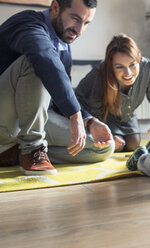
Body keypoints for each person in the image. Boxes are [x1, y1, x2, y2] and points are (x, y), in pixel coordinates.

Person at [0, 0, 113, 175]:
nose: (79, 30)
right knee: (37, 61)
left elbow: (59, 99)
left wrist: (89, 121)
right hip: (4, 118)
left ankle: (15, 152)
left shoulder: (64, 47)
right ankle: (32, 150)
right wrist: (74, 116)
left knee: (103, 147)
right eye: (75, 18)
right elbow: (43, 56)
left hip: (28, 122)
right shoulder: (27, 23)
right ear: (55, 7)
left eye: (86, 23)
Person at [75, 34, 150, 152]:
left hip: (126, 114)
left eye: (132, 64)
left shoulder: (147, 68)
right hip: (95, 113)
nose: (128, 73)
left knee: (133, 145)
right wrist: (106, 135)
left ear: (139, 58)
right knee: (114, 146)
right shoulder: (100, 73)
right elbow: (94, 109)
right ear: (111, 66)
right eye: (119, 67)